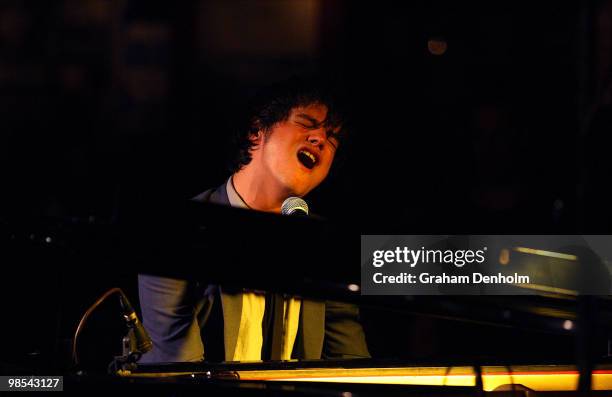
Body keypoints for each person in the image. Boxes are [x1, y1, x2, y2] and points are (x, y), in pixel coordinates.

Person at [138, 76, 369, 363]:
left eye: (332, 137)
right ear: (256, 131)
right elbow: (179, 369)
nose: (320, 139)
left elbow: (349, 363)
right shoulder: (177, 230)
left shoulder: (325, 243)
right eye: (307, 123)